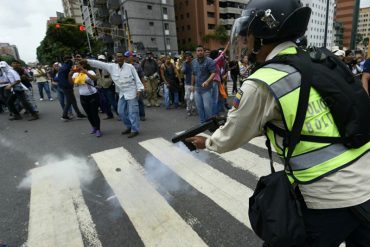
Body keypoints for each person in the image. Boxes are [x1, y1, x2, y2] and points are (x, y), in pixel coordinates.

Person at [186, 0, 370, 246]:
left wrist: (206, 142)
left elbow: (231, 136)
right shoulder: (320, 61)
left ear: (262, 35)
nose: (246, 41)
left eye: (248, 35)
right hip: (366, 183)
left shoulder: (264, 81)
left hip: (327, 196)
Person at [86, 52, 144, 138]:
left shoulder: (130, 67)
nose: (119, 58)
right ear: (115, 58)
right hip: (122, 93)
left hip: (132, 92)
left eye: (121, 57)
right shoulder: (112, 67)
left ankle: (134, 129)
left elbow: (137, 78)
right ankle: (129, 126)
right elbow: (99, 64)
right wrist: (86, 61)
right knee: (120, 112)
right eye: (118, 57)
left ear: (124, 58)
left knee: (133, 113)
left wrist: (139, 89)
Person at [69, 60, 101, 137]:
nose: (77, 66)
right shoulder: (76, 74)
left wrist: (85, 72)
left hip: (93, 95)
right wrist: (70, 75)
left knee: (94, 113)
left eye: (79, 65)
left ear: (84, 65)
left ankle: (98, 129)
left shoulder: (90, 72)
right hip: (83, 96)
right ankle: (94, 127)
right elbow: (72, 83)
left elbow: (94, 79)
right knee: (88, 114)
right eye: (76, 65)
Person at [191, 45, 216, 123]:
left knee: (207, 107)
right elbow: (193, 74)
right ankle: (203, 122)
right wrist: (192, 85)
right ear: (196, 52)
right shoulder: (193, 62)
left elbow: (213, 73)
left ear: (204, 52)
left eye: (201, 50)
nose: (200, 52)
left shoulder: (209, 61)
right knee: (199, 107)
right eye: (198, 51)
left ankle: (210, 122)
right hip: (197, 88)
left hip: (207, 89)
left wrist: (207, 81)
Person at [58, 55, 86, 121]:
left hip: (64, 86)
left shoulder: (63, 66)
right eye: (71, 59)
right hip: (67, 86)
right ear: (69, 60)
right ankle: (64, 116)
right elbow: (76, 70)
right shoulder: (67, 67)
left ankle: (78, 114)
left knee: (73, 101)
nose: (73, 61)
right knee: (69, 101)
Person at [124, 50, 146, 121]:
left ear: (131, 57)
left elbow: (142, 76)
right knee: (129, 102)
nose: (126, 58)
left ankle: (142, 115)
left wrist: (143, 86)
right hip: (128, 87)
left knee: (139, 101)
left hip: (137, 86)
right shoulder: (123, 66)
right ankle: (131, 116)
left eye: (127, 56)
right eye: (125, 56)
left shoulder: (137, 66)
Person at [95, 55, 118, 120]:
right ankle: (109, 115)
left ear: (104, 60)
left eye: (102, 60)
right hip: (101, 87)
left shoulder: (108, 67)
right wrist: (98, 84)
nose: (100, 61)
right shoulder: (97, 68)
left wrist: (111, 83)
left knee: (112, 102)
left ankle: (120, 114)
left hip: (109, 86)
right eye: (99, 60)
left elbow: (113, 76)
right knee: (105, 102)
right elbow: (98, 77)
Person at [182, 51, 196, 116]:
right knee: (188, 97)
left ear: (191, 56)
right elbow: (183, 71)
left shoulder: (195, 62)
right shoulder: (184, 63)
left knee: (194, 97)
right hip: (187, 83)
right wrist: (183, 67)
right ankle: (188, 109)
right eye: (186, 56)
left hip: (195, 83)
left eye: (189, 55)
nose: (187, 57)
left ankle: (193, 109)